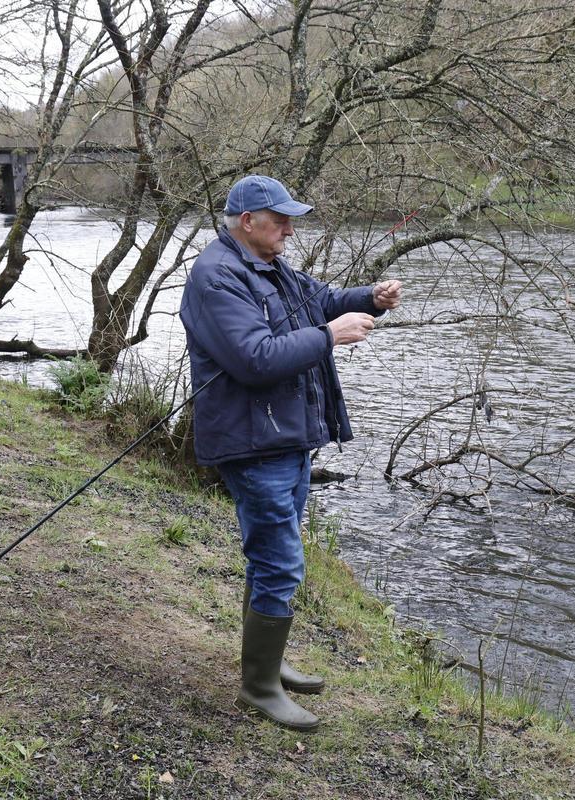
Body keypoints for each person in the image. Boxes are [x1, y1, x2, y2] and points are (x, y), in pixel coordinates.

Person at [179, 175, 402, 731]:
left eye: (289, 218)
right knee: (280, 562)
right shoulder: (217, 277)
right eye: (279, 218)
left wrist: (368, 300)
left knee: (269, 557)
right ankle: (258, 687)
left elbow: (320, 300)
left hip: (285, 437)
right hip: (253, 445)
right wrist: (330, 335)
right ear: (247, 221)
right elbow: (255, 357)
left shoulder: (268, 264)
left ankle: (268, 664)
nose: (288, 227)